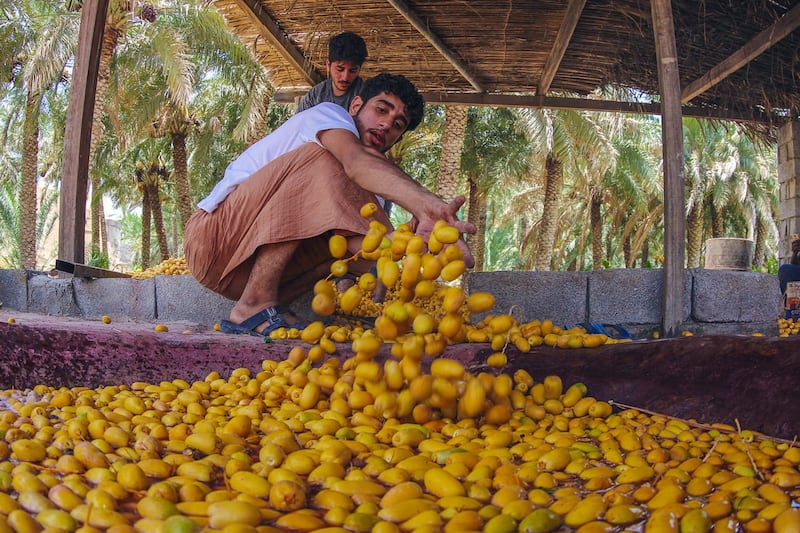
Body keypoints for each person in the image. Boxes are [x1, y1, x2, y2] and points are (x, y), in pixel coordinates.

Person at [184, 73, 475, 336]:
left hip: (239, 274)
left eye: (398, 124)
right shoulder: (329, 116)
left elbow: (360, 249)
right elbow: (355, 162)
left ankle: (271, 303)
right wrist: (428, 206)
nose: (386, 124)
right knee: (323, 157)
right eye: (381, 109)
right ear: (356, 105)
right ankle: (254, 304)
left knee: (362, 248)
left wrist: (412, 242)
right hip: (214, 240)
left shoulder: (375, 186)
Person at [296, 32, 367, 113]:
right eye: (340, 69)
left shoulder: (366, 95)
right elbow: (298, 123)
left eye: (352, 71)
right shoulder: (315, 96)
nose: (345, 77)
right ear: (328, 65)